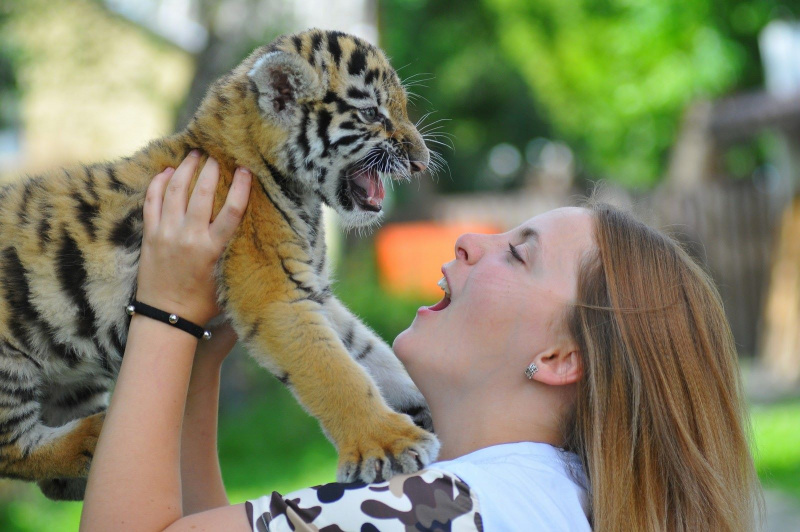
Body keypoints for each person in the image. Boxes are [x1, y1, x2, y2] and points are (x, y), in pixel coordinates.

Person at [79, 154, 763, 531]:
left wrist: (164, 311)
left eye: (519, 255)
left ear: (561, 359)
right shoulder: (548, 500)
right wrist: (198, 357)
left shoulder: (453, 511)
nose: (470, 239)